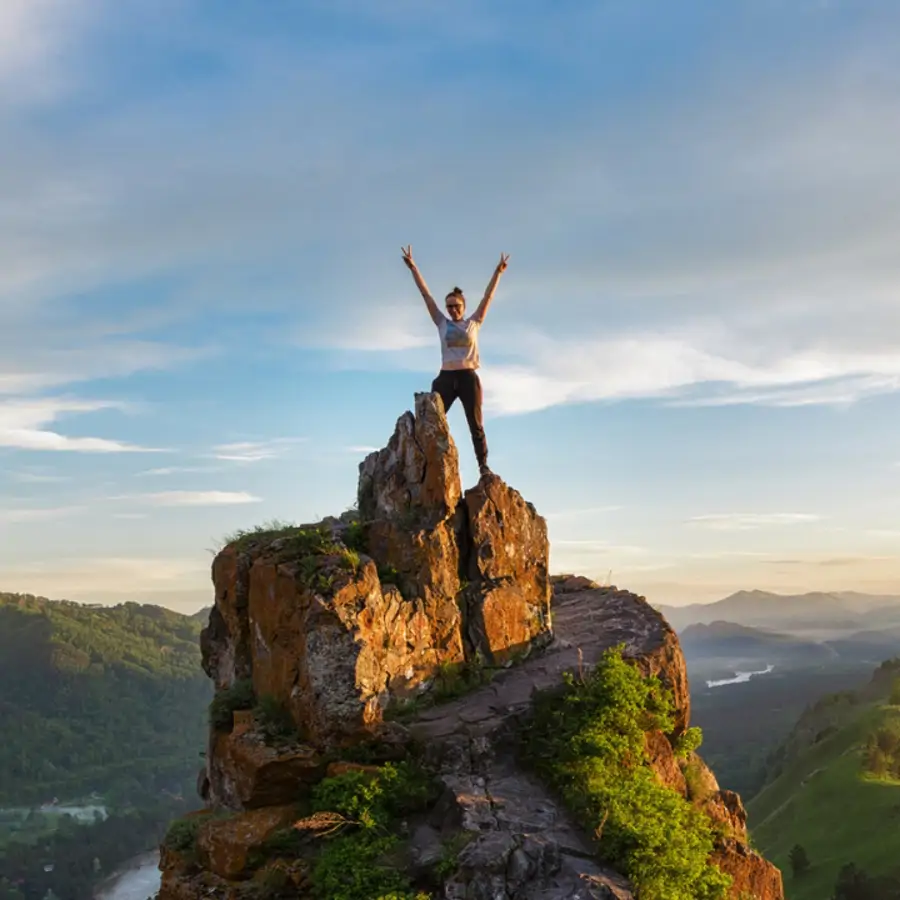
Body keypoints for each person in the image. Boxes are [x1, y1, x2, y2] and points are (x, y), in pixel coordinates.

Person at [401, 245, 509, 478]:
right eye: (448, 306)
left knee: (476, 426)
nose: (451, 309)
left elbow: (487, 297)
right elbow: (426, 296)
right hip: (446, 378)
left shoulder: (474, 322)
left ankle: (483, 468)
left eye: (456, 306)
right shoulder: (441, 322)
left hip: (468, 377)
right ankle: (419, 466)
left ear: (463, 306)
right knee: (430, 419)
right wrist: (413, 268)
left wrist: (498, 273)